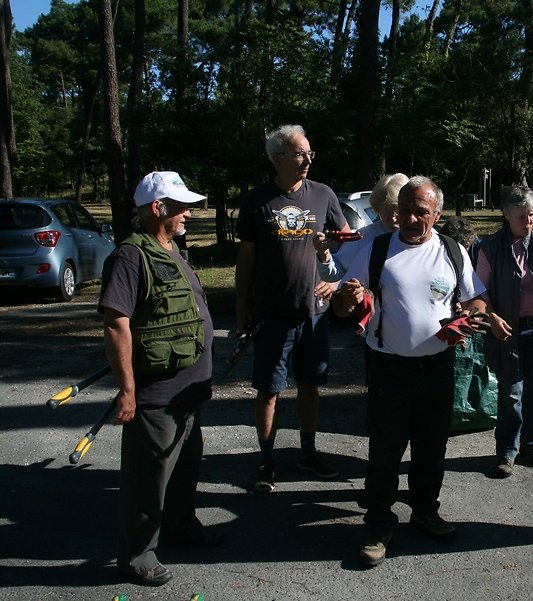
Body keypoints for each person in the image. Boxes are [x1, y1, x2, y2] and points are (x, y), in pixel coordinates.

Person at [332, 176, 494, 567]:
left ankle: (424, 511)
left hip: (437, 366)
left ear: (437, 214)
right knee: (385, 449)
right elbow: (341, 308)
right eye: (404, 210)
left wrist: (471, 318)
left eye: (420, 212)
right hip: (388, 366)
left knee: (431, 446)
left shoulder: (452, 251)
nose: (410, 219)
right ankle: (378, 525)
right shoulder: (376, 250)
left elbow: (476, 300)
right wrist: (347, 299)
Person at [100, 171, 223, 587]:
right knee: (148, 479)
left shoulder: (170, 251)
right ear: (157, 208)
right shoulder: (130, 257)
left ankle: (181, 527)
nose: (188, 213)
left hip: (188, 390)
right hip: (157, 394)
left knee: (184, 469)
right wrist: (127, 389)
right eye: (181, 206)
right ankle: (137, 555)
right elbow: (116, 322)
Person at [235, 124, 351, 493]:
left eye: (309, 153)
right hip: (272, 314)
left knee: (310, 386)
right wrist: (241, 306)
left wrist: (335, 279)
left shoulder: (323, 194)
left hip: (314, 313)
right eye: (299, 154)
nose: (307, 160)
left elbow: (347, 241)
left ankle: (308, 452)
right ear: (277, 158)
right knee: (269, 390)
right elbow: (246, 258)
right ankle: (266, 459)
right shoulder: (257, 200)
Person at [477, 185, 533, 477]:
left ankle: (532, 444)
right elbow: (479, 291)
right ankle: (506, 451)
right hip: (508, 330)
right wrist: (492, 317)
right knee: (511, 395)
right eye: (521, 216)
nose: (528, 221)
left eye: (531, 214)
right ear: (506, 215)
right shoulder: (490, 247)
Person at [318, 173, 409, 281]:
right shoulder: (364, 236)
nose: (393, 218)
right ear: (377, 208)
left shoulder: (422, 238)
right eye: (387, 212)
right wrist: (324, 253)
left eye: (398, 211)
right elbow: (334, 272)